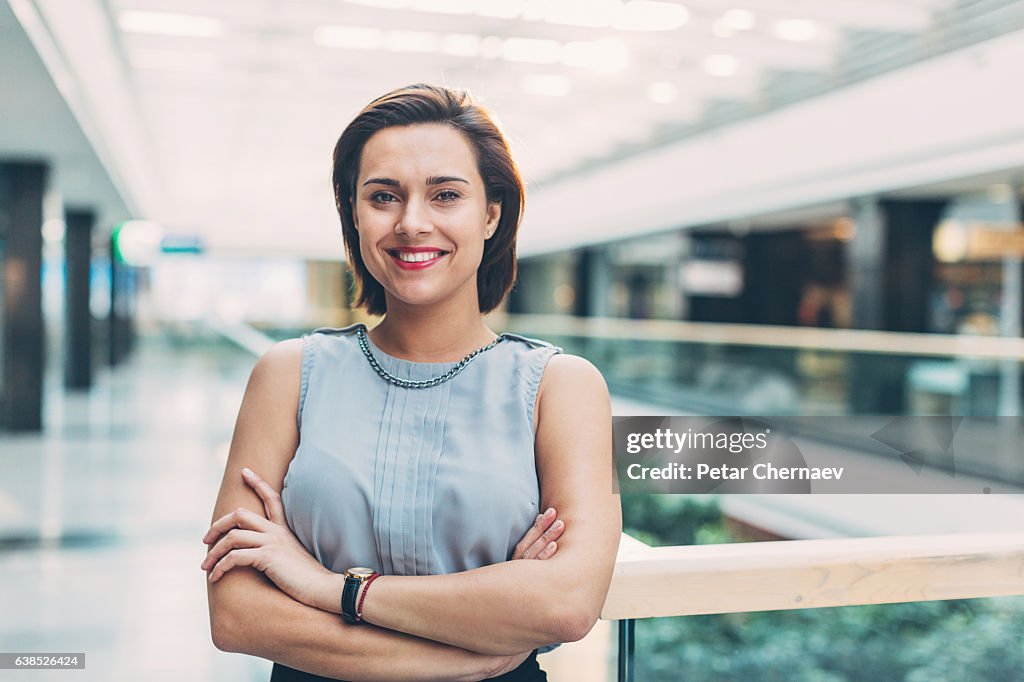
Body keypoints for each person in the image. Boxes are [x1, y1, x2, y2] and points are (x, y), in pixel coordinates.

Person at [201, 83, 621, 681]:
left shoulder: (564, 388)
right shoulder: (288, 373)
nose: (412, 222)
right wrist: (477, 651)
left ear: (492, 213)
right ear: (354, 212)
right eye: (383, 197)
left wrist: (330, 588)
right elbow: (238, 616)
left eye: (446, 195)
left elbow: (564, 603)